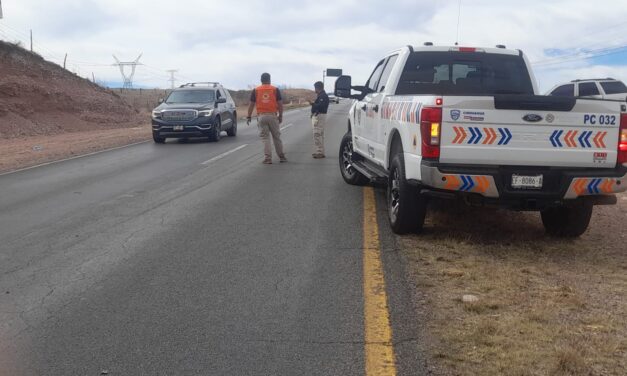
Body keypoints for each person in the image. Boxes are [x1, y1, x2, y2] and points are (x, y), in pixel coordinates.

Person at [247, 73, 287, 164]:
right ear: (269, 79)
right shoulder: (275, 89)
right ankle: (281, 157)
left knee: (265, 138)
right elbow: (280, 104)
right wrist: (280, 115)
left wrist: (249, 116)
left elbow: (251, 104)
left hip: (261, 116)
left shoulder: (256, 90)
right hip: (273, 116)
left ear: (261, 80)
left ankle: (268, 158)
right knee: (276, 137)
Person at [310, 81, 329, 159]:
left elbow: (320, 106)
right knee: (319, 134)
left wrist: (312, 104)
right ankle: (320, 151)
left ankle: (320, 152)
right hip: (319, 115)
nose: (314, 90)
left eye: (315, 88)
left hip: (320, 116)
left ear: (318, 88)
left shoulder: (323, 96)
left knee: (317, 134)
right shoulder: (321, 95)